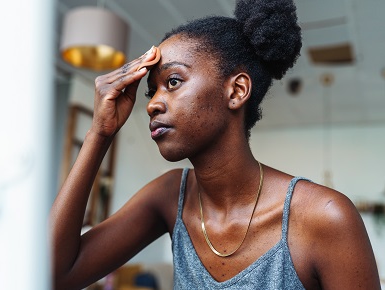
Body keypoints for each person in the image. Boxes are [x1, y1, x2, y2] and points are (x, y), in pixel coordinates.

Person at [50, 0, 381, 289]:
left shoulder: (324, 218)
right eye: (153, 92)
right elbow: (55, 276)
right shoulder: (169, 197)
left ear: (236, 91)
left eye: (173, 82)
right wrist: (99, 132)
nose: (152, 104)